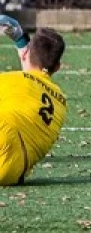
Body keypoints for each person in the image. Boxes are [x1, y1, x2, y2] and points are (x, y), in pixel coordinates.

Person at [0, 17, 68, 186]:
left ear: (26, 54)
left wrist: (22, 42)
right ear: (58, 66)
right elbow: (31, 77)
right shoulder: (60, 102)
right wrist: (22, 42)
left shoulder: (10, 81)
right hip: (11, 174)